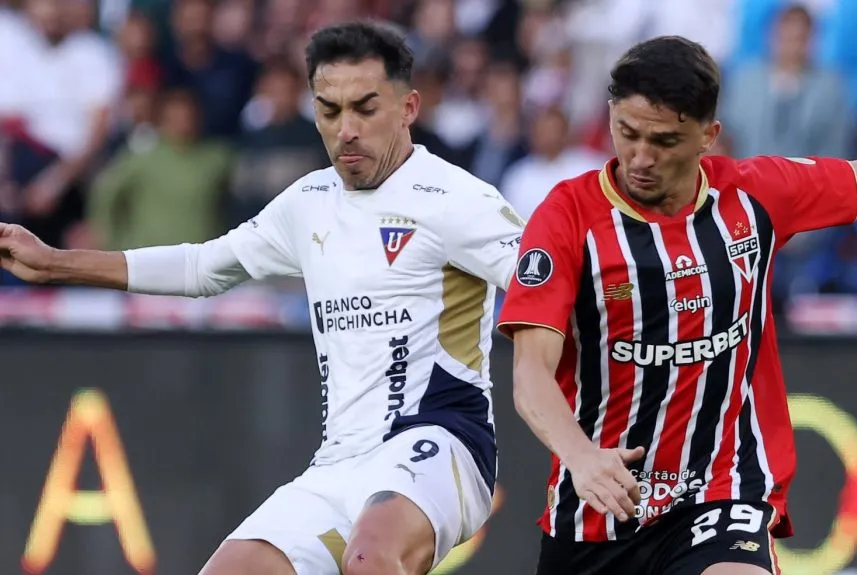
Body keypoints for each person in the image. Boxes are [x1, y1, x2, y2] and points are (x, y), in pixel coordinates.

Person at [1, 21, 525, 575]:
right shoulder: (309, 202)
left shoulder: (458, 200)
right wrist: (56, 262)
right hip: (340, 465)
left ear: (408, 107)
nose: (345, 130)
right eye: (329, 110)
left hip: (439, 445)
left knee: (371, 559)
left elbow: (554, 287)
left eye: (365, 109)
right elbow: (204, 267)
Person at [496, 36, 857, 575]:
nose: (641, 157)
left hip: (721, 495)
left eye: (665, 140)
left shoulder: (753, 196)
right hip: (597, 513)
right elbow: (530, 371)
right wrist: (580, 455)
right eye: (627, 134)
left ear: (709, 135)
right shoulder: (567, 217)